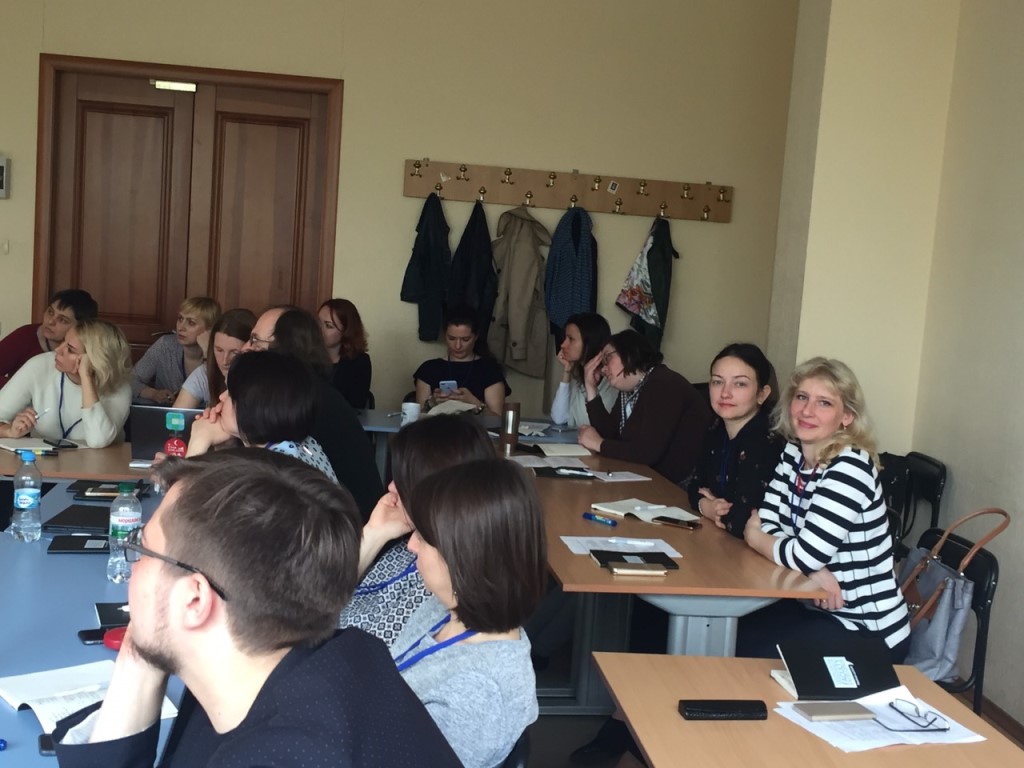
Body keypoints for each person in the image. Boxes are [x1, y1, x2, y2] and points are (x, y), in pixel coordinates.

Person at [52, 449, 460, 767]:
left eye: (142, 550)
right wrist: (141, 654)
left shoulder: (277, 756)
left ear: (195, 599)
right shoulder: (348, 655)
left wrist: (148, 628)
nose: (132, 567)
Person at [739, 357, 911, 662]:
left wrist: (756, 538)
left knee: (748, 656)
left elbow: (795, 548)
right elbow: (770, 523)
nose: (807, 411)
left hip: (866, 629)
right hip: (811, 605)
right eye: (801, 397)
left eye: (824, 403)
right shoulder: (793, 454)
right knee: (732, 634)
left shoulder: (850, 466)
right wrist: (812, 569)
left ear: (846, 416)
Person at [392, 459, 546, 768]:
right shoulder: (447, 607)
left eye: (422, 537)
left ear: (463, 556)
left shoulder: (476, 694)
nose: (411, 546)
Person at [342, 414, 496, 645]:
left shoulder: (440, 578)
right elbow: (318, 600)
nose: (391, 487)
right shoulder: (411, 546)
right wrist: (374, 533)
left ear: (432, 489)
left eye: (403, 480)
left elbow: (315, 612)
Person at [244, 306, 383, 519]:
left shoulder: (297, 401)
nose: (245, 348)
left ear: (282, 350)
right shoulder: (309, 389)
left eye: (255, 340)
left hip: (350, 528)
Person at [577, 329, 711, 484]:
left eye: (607, 358)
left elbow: (646, 453)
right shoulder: (631, 390)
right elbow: (610, 437)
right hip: (649, 478)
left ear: (629, 351)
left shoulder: (663, 384)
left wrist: (598, 443)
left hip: (681, 487)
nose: (603, 369)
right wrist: (591, 388)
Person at [185, 350, 337, 481]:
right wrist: (227, 444)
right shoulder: (307, 445)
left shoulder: (266, 475)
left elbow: (184, 504)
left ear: (256, 408)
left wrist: (199, 441)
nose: (222, 397)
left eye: (231, 394)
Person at [686, 343, 785, 538]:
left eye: (740, 384)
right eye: (717, 382)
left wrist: (716, 509)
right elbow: (694, 485)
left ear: (762, 394)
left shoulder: (766, 440)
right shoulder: (716, 427)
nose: (725, 393)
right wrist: (705, 505)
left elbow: (743, 521)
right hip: (723, 540)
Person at [0, 319, 132, 447]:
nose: (58, 350)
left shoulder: (120, 386)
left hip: (99, 461)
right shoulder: (40, 366)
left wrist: (86, 376)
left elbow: (98, 440)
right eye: (63, 341)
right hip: (44, 458)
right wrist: (9, 431)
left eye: (70, 349)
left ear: (95, 360)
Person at [414, 307, 507, 417]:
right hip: (438, 427)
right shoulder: (428, 369)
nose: (458, 346)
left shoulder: (490, 370)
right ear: (444, 335)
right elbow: (417, 418)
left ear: (476, 336)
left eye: (465, 339)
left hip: (475, 428)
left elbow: (497, 420)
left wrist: (474, 403)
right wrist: (432, 402)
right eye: (451, 338)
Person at [133, 296, 221, 405]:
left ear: (210, 329)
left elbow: (220, 395)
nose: (181, 327)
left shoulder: (222, 353)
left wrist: (207, 352)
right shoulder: (165, 345)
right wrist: (153, 394)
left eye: (191, 323)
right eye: (180, 319)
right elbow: (130, 381)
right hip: (168, 415)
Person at [0, 289, 98, 385]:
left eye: (62, 320)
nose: (51, 321)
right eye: (50, 312)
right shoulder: (25, 336)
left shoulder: (90, 350)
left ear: (81, 327)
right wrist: (20, 388)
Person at [173, 308, 255, 409]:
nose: (225, 361)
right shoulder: (204, 373)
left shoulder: (263, 382)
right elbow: (175, 416)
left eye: (235, 352)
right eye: (219, 350)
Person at [549, 312, 617, 427]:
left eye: (571, 339)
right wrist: (567, 372)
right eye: (565, 338)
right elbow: (559, 418)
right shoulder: (579, 379)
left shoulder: (612, 382)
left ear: (590, 342)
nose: (563, 345)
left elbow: (595, 427)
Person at [319, 298, 372, 409]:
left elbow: (355, 405)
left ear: (346, 331)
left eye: (329, 326)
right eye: (318, 322)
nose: (320, 330)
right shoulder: (306, 357)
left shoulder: (359, 362)